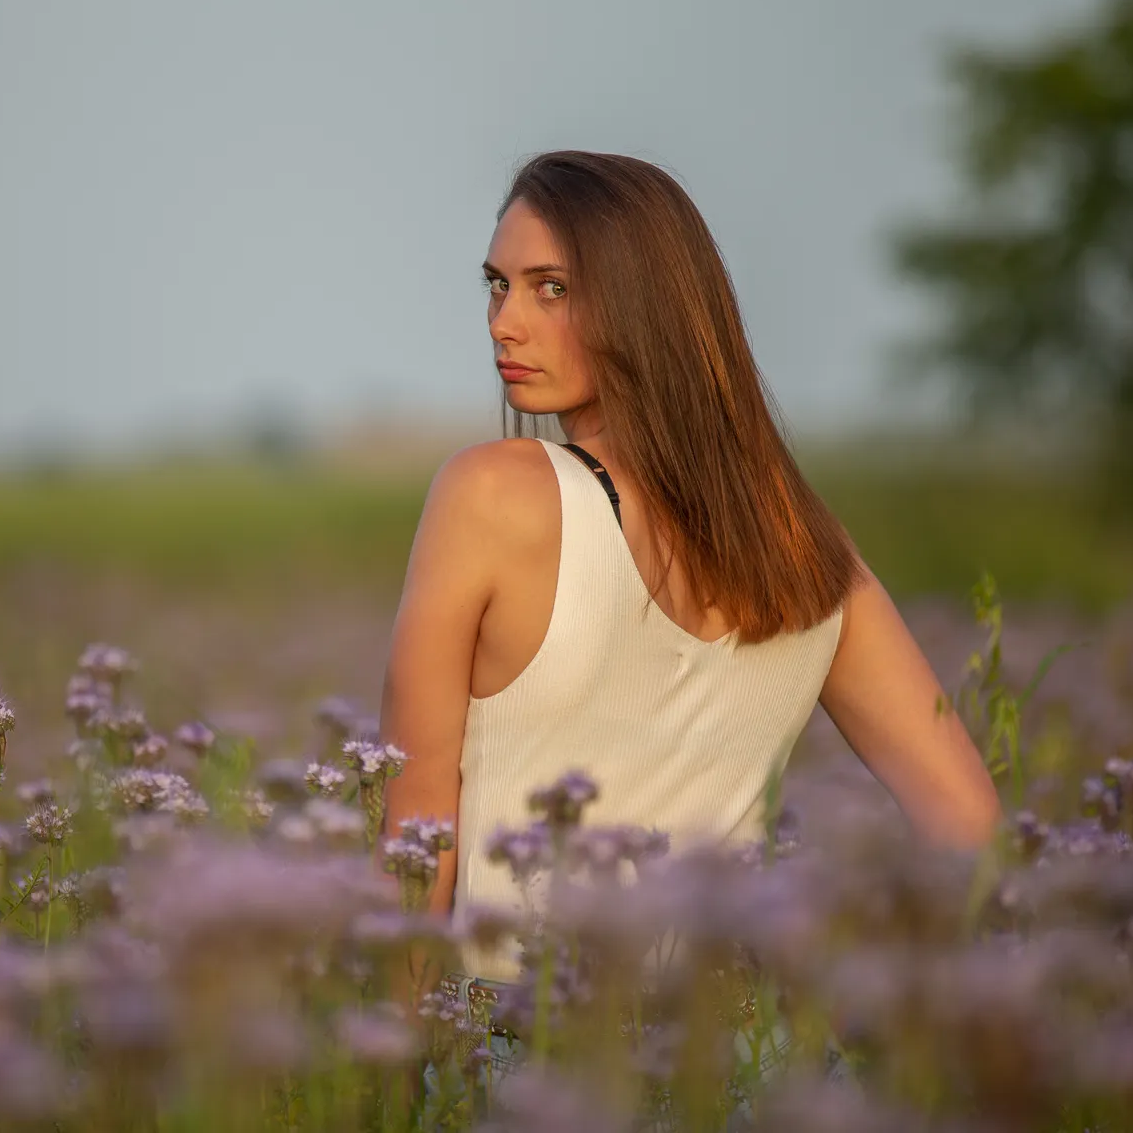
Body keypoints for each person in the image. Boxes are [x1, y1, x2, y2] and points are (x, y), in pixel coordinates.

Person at [378, 150, 1003, 1108]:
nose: (507, 321)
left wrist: (389, 1071)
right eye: (499, 285)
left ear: (647, 305)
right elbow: (973, 827)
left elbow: (418, 817)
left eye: (553, 290)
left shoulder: (491, 492)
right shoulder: (805, 544)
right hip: (742, 1067)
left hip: (520, 1056)